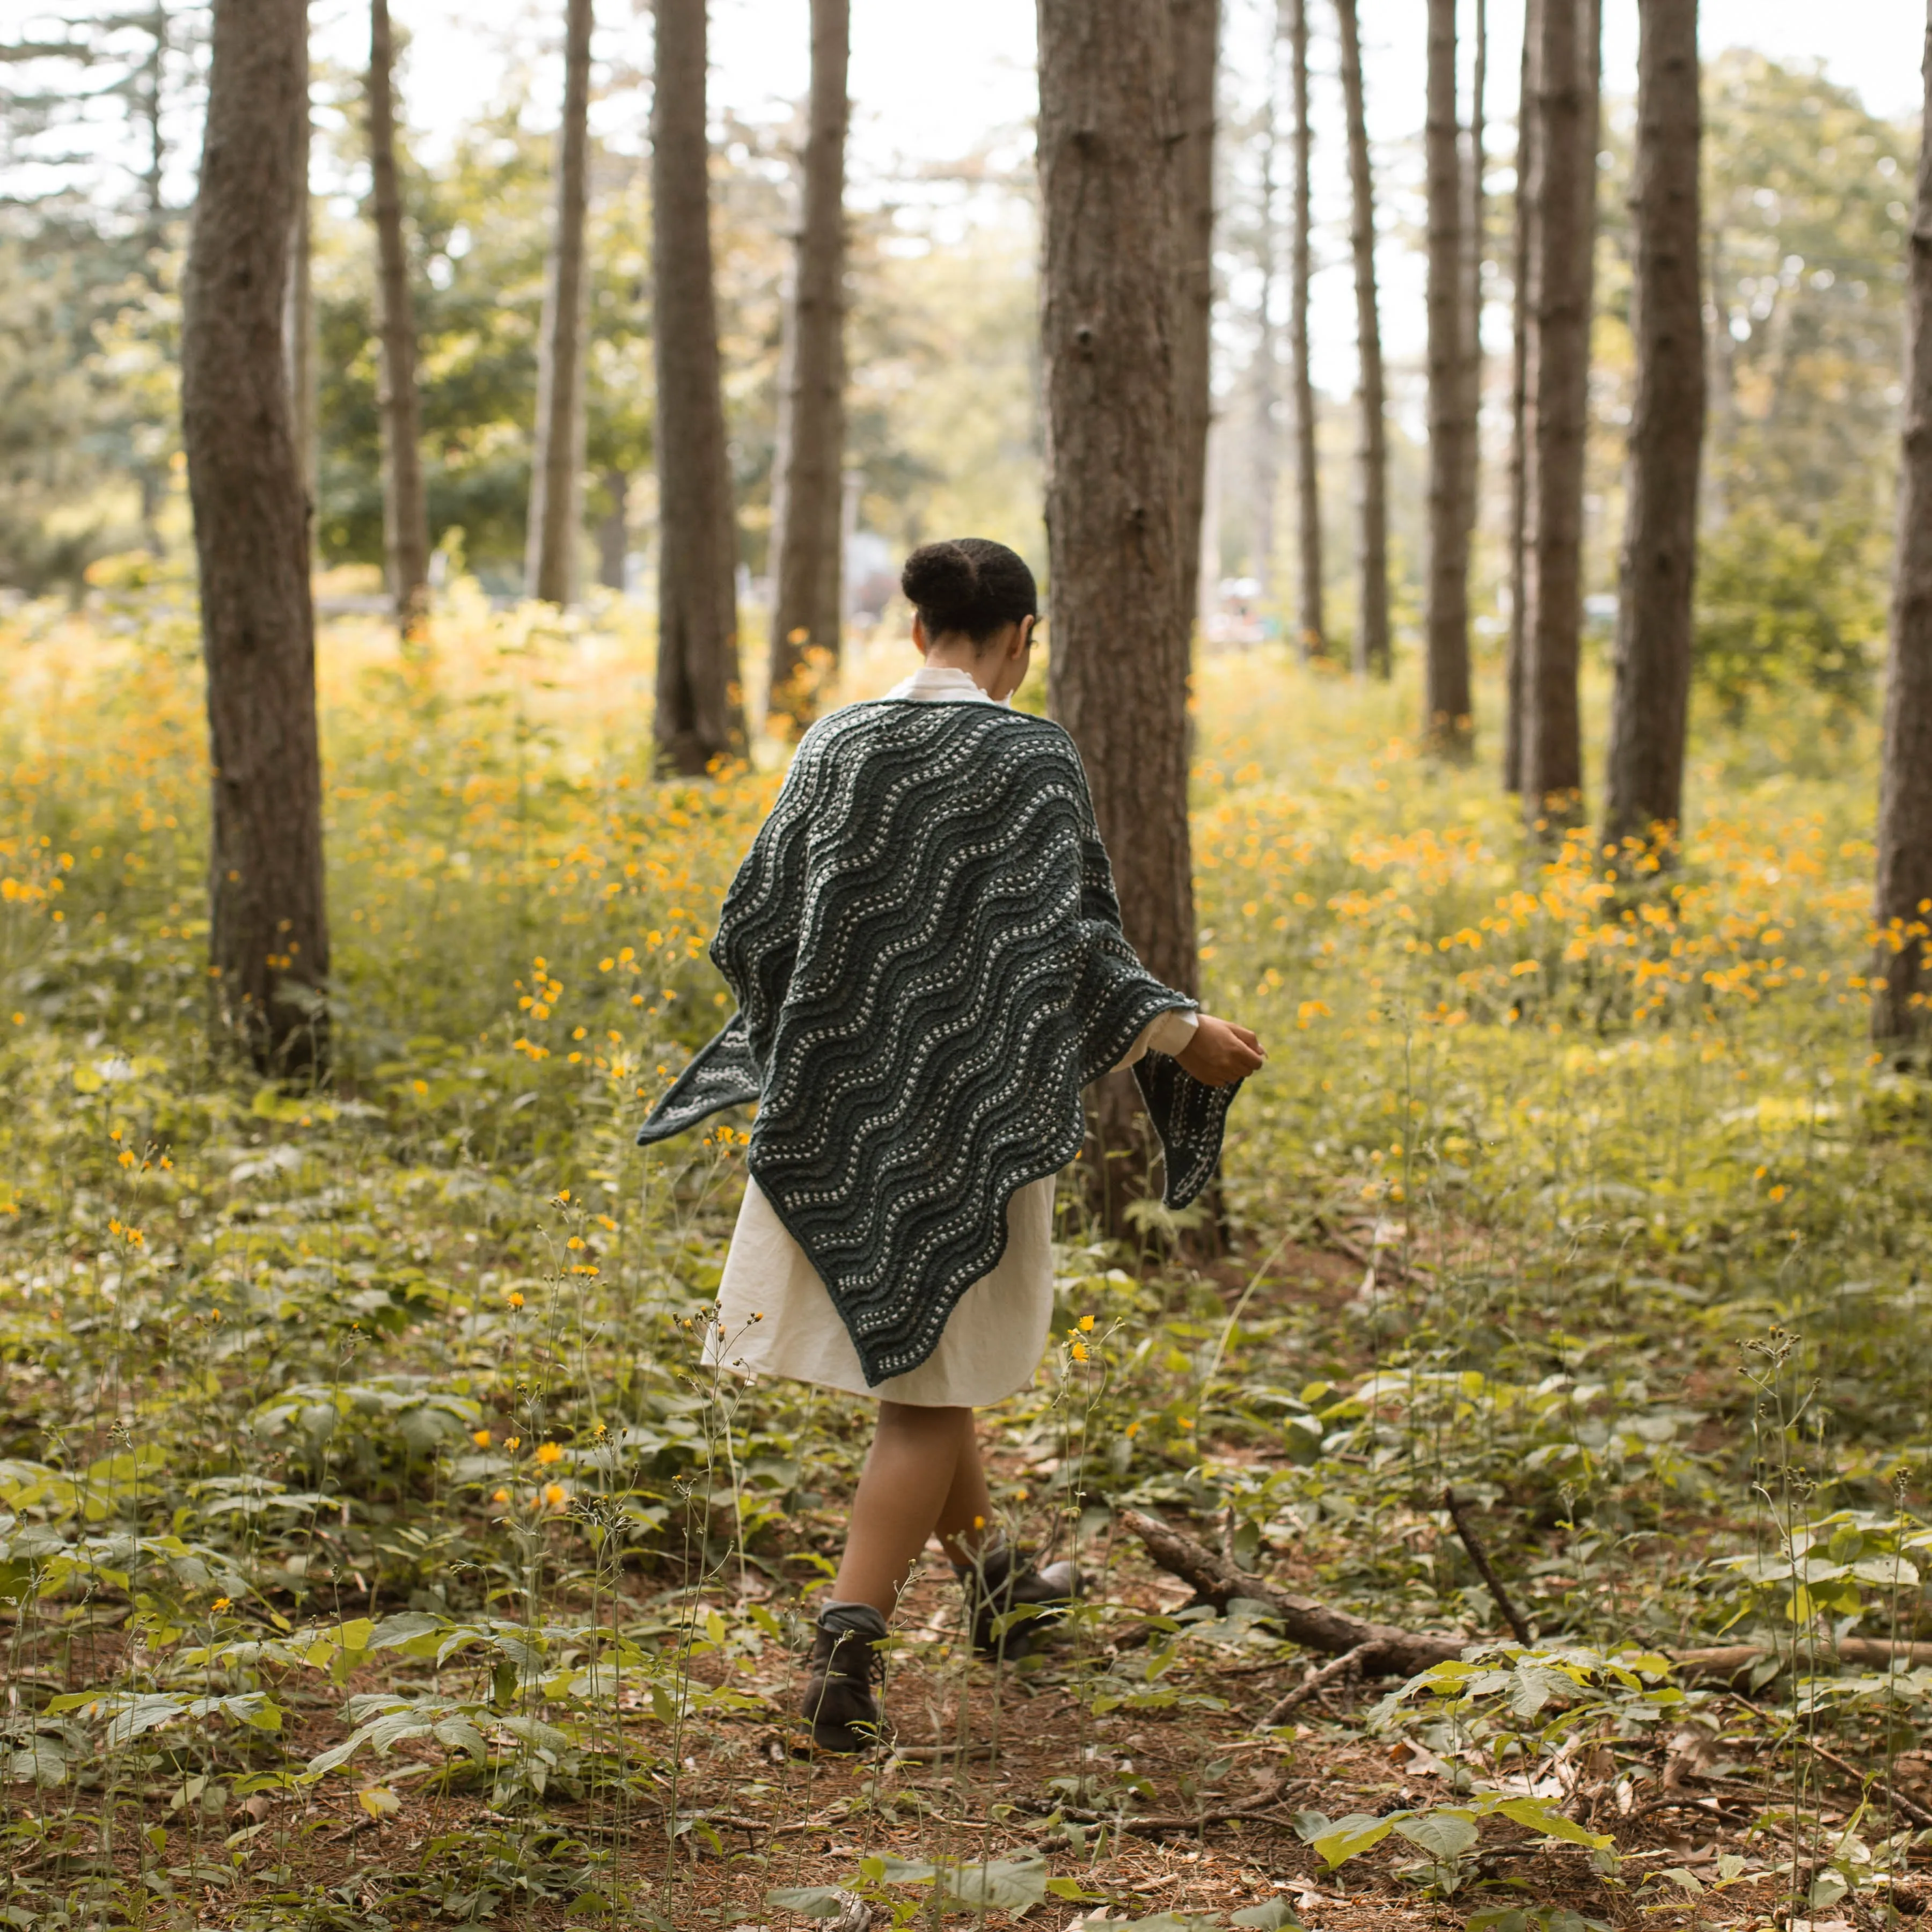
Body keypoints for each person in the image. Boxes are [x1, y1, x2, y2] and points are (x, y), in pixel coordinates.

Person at [638, 537, 1263, 1750]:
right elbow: (1074, 947)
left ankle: (999, 1591)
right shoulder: (1031, 758)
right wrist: (1183, 1035)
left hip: (837, 1107)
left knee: (939, 1367)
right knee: (927, 1399)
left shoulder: (839, 744)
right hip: (974, 1121)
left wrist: (817, 1041)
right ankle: (844, 1651)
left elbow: (756, 923)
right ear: (1023, 636)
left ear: (917, 631)